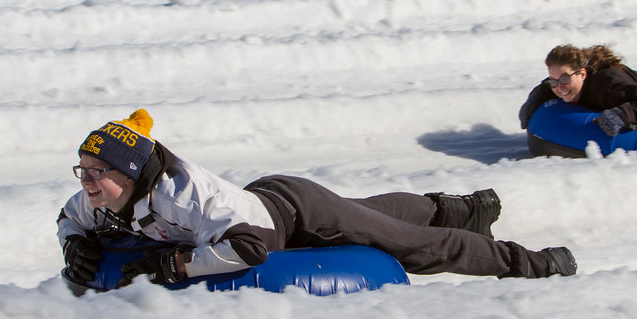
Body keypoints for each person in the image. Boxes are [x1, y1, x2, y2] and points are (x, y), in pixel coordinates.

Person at [58, 109, 577, 290]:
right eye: (83, 170)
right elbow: (67, 220)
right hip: (268, 195)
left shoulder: (185, 197)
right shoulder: (98, 197)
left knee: (412, 245)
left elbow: (250, 248)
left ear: (127, 173)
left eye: (97, 172)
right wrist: (71, 248)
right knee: (377, 212)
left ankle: (533, 264)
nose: (85, 182)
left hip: (297, 217)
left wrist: (175, 264)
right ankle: (461, 206)